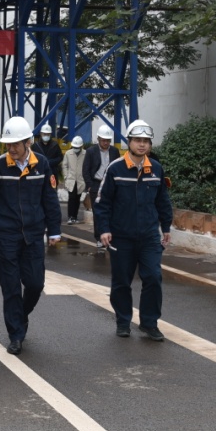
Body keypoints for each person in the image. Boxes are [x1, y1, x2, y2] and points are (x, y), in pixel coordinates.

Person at [0, 116, 63, 355]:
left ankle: (20, 315)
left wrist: (54, 230)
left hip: (34, 235)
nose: (11, 149)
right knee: (10, 287)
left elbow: (50, 200)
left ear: (28, 142)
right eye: (8, 144)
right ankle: (15, 335)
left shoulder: (41, 165)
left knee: (35, 284)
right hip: (7, 236)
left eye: (15, 144)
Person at [93, 120, 172, 340]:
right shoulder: (115, 168)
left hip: (149, 236)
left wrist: (166, 226)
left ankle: (149, 323)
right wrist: (104, 229)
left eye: (146, 141)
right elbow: (102, 202)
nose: (142, 144)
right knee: (121, 281)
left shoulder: (156, 169)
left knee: (153, 277)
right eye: (138, 140)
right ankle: (123, 321)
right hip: (121, 237)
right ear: (129, 142)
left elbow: (163, 201)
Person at [83, 124, 121, 248]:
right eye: (104, 140)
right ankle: (99, 237)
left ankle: (111, 236)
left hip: (110, 184)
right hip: (96, 184)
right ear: (98, 139)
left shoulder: (114, 151)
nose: (106, 143)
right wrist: (89, 185)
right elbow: (85, 170)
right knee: (98, 212)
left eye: (108, 140)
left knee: (112, 211)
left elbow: (118, 167)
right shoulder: (91, 151)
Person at [62, 136, 86, 224]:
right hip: (71, 180)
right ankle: (70, 217)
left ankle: (75, 217)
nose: (76, 148)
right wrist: (66, 176)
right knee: (71, 198)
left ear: (81, 146)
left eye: (77, 147)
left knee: (77, 198)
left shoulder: (85, 154)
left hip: (80, 180)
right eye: (75, 147)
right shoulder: (68, 154)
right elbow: (64, 166)